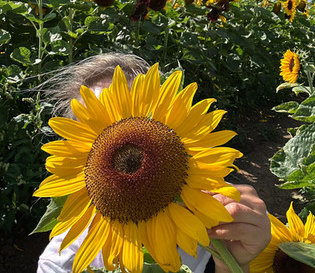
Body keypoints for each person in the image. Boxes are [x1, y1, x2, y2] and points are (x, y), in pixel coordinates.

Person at [37, 52, 271, 273]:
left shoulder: (215, 230)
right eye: (96, 127)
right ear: (80, 155)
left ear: (166, 112)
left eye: (132, 114)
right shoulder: (63, 262)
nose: (114, 130)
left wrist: (232, 264)